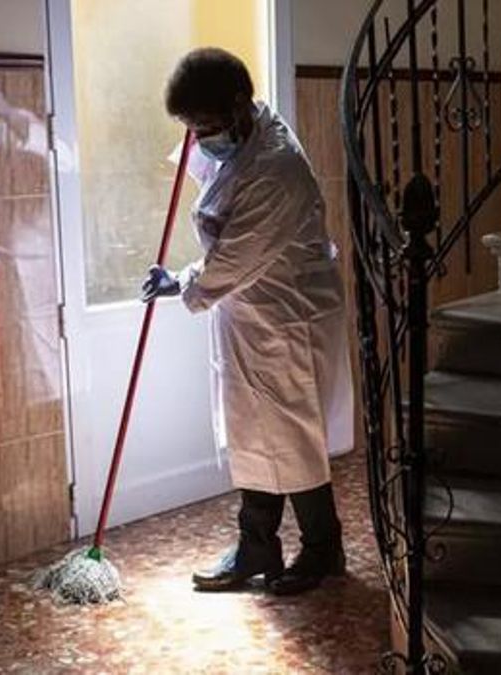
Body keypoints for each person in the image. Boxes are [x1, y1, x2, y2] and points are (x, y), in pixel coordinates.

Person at [142, 47, 354, 596]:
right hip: (254, 308)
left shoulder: (275, 167)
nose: (197, 137)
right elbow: (217, 191)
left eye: (203, 126)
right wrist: (189, 279)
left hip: (287, 314)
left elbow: (236, 256)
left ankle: (322, 548)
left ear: (238, 107)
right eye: (190, 127)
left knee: (291, 436)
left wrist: (183, 282)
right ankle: (257, 546)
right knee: (258, 433)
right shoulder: (245, 131)